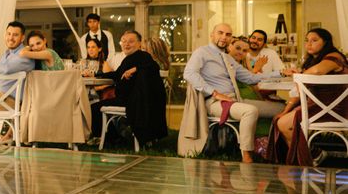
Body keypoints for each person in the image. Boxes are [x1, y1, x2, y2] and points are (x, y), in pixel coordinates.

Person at [183, 23, 280, 163]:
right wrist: (214, 93)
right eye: (220, 33)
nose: (224, 37)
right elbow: (189, 73)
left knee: (281, 108)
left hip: (235, 100)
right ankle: (247, 155)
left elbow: (250, 78)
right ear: (212, 35)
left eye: (228, 34)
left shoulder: (227, 58)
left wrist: (280, 73)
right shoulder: (202, 52)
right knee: (250, 111)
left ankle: (281, 150)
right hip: (215, 102)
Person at [268, 28, 348, 165]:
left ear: (326, 42)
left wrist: (298, 75)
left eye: (314, 40)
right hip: (320, 106)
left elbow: (317, 71)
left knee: (283, 123)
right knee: (279, 119)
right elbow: (299, 92)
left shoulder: (334, 57)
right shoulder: (313, 61)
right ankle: (312, 155)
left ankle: (308, 158)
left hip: (335, 108)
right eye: (307, 41)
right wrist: (287, 109)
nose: (309, 44)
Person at [97, 31, 168, 145]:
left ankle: (111, 139)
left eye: (131, 41)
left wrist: (136, 68)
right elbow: (117, 74)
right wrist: (96, 75)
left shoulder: (144, 56)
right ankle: (115, 138)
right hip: (128, 99)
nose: (126, 44)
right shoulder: (128, 58)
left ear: (139, 44)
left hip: (133, 102)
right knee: (96, 106)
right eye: (124, 41)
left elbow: (153, 66)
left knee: (94, 108)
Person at [0, 21, 36, 146]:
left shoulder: (25, 55)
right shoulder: (7, 54)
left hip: (8, 101)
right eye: (9, 34)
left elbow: (5, 69)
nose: (11, 38)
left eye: (15, 35)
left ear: (22, 38)